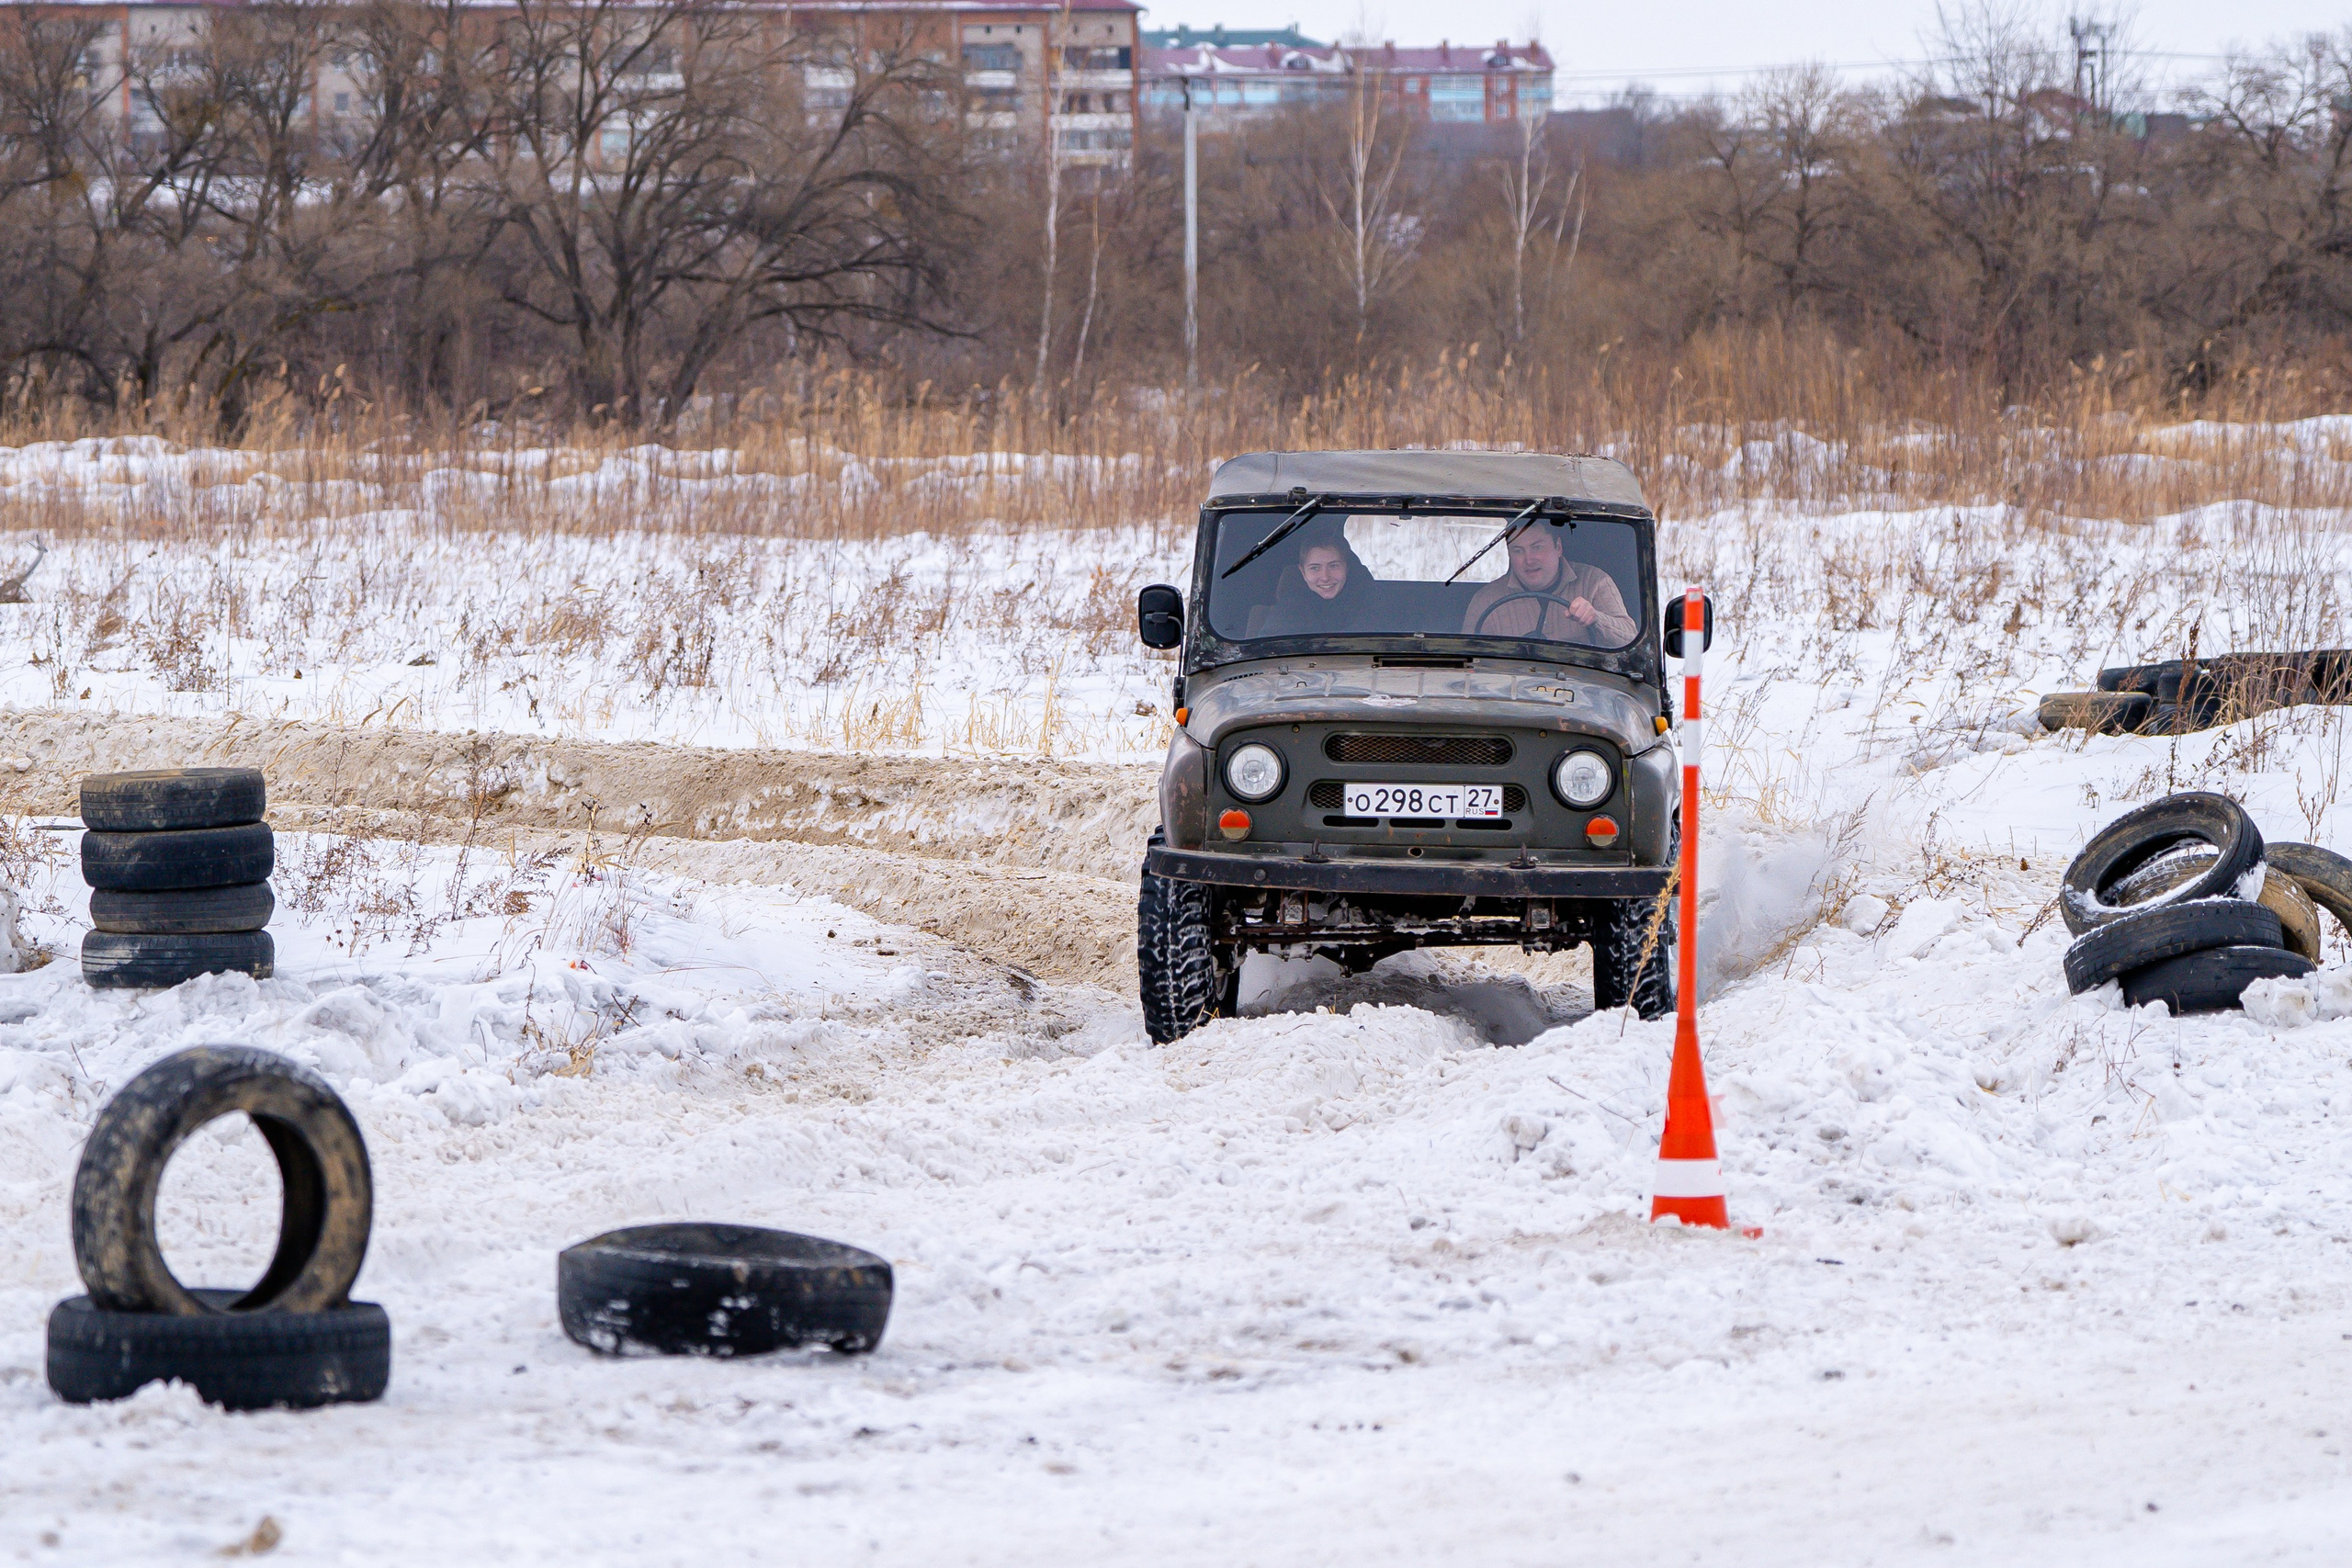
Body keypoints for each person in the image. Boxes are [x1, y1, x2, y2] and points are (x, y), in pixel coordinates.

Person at [1460, 523, 1636, 645]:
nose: (1529, 560)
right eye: (1518, 551)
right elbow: (1466, 662)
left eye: (1537, 548)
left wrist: (1596, 618)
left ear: (1558, 547)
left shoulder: (1594, 582)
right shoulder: (1486, 600)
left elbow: (1631, 641)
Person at [1260, 524, 1380, 635]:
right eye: (1315, 568)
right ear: (1303, 573)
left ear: (1346, 568)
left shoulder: (1370, 608)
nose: (1325, 577)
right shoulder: (1285, 615)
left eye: (1333, 566)